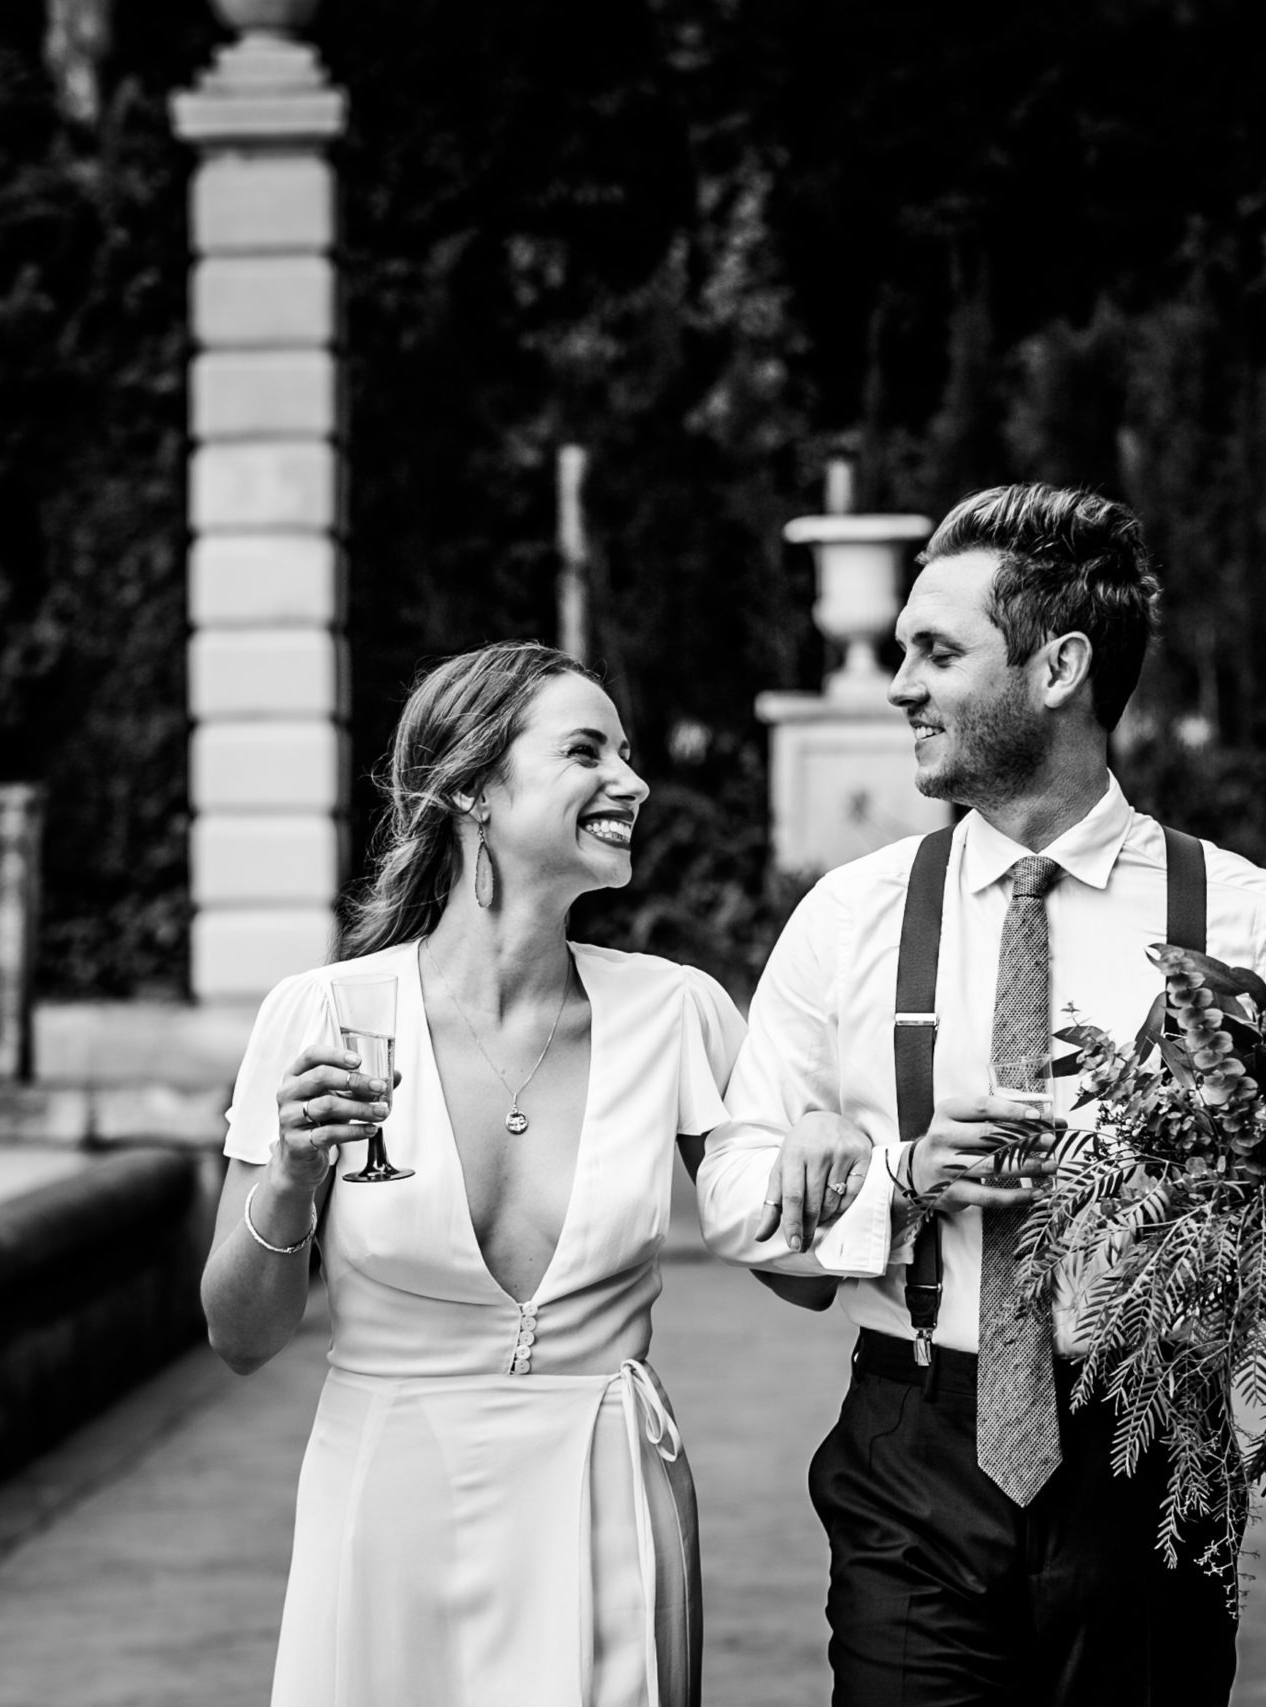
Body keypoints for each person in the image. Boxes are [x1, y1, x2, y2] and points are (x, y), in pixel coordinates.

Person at [697, 484, 1266, 1707]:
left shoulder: (1251, 923)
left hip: (1155, 1458)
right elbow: (733, 1189)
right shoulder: (850, 917)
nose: (899, 685)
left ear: (1060, 666)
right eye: (900, 652)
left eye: (936, 652)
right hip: (912, 1448)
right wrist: (897, 1183)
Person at [201, 640, 838, 1707]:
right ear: (470, 793)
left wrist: (832, 1144)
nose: (631, 781)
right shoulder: (320, 1018)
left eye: (626, 753)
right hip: (384, 1499)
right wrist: (289, 1183)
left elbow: (806, 1275)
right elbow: (240, 1337)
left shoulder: (675, 1011)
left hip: (602, 1502)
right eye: (586, 751)